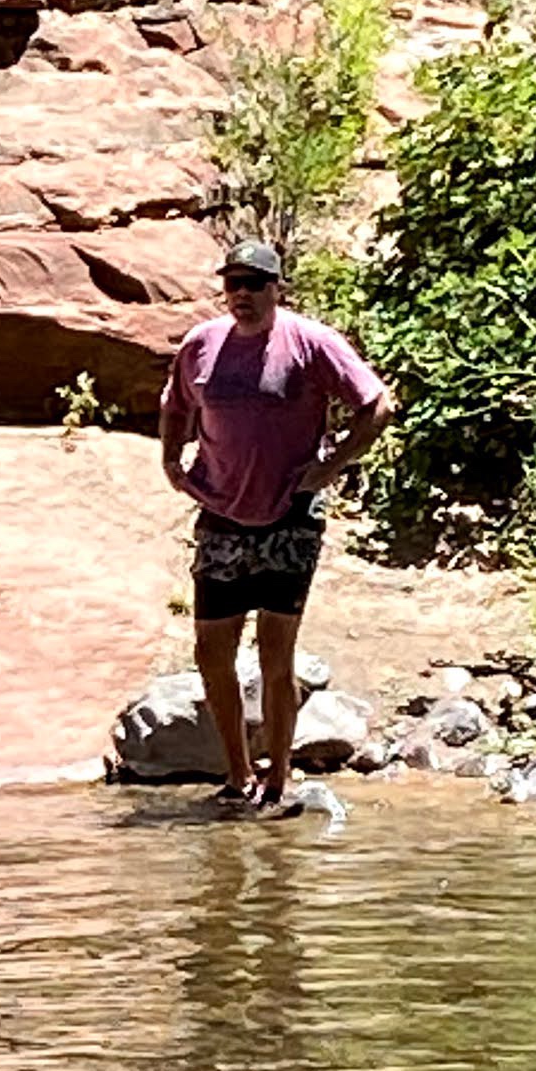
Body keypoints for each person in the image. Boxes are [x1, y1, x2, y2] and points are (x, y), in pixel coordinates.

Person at [160, 239, 394, 815]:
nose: (242, 294)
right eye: (233, 283)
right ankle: (238, 773)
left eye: (254, 283)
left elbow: (376, 405)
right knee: (212, 651)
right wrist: (171, 460)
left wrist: (331, 467)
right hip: (221, 513)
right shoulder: (202, 344)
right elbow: (175, 405)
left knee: (275, 653)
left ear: (276, 288)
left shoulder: (311, 342)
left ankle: (279, 778)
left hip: (291, 516)